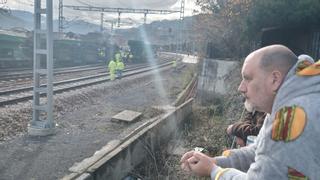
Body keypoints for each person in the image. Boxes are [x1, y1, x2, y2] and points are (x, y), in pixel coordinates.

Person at [180, 45, 320, 179]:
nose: (241, 88)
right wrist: (215, 162)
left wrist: (213, 171)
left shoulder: (291, 120)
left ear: (274, 79)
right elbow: (260, 150)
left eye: (247, 78)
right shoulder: (292, 101)